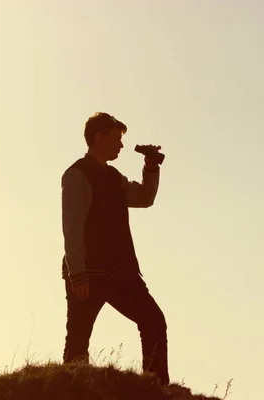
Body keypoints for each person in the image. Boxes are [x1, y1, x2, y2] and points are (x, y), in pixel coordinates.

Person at [60, 111, 169, 385]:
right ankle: (71, 390)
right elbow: (71, 228)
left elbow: (144, 198)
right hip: (89, 273)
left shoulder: (114, 177)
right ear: (99, 137)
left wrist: (152, 166)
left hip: (121, 271)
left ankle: (155, 388)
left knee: (154, 322)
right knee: (77, 343)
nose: (121, 145)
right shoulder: (76, 174)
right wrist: (78, 274)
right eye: (117, 138)